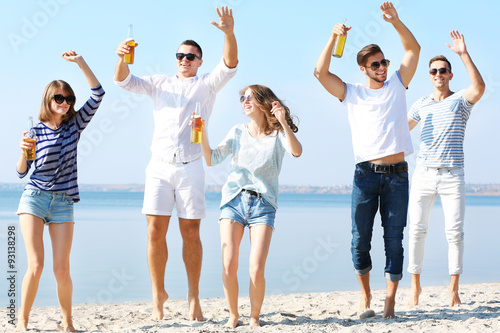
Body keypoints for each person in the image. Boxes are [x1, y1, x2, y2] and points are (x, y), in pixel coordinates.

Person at [113, 6, 238, 321]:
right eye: (180, 55)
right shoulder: (158, 83)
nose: (184, 60)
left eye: (191, 56)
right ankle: (158, 294)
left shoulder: (206, 85)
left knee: (191, 232)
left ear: (199, 62)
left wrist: (228, 33)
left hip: (191, 166)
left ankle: (193, 295)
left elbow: (231, 63)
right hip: (158, 166)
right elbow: (123, 81)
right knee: (155, 231)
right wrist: (121, 57)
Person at [314, 2, 420, 318]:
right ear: (363, 68)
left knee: (394, 239)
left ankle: (389, 301)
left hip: (398, 175)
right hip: (365, 175)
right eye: (375, 65)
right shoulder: (352, 92)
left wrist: (395, 22)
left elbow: (413, 48)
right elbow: (320, 72)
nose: (382, 68)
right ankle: (365, 295)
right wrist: (334, 38)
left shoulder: (399, 84)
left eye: (383, 62)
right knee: (360, 240)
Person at [15, 50, 104, 332]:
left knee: (62, 269)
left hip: (64, 202)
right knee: (36, 265)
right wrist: (22, 152)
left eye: (68, 99)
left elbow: (99, 93)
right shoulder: (34, 132)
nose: (65, 103)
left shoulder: (74, 126)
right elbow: (21, 172)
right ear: (49, 100)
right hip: (34, 199)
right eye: (59, 98)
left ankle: (67, 323)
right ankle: (22, 321)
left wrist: (80, 63)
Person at [199, 85, 302, 328]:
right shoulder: (237, 132)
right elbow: (212, 159)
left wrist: (283, 122)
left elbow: (297, 152)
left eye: (250, 98)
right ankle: (233, 315)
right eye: (242, 97)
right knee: (229, 262)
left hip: (264, 204)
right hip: (234, 201)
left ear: (263, 102)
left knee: (256, 268)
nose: (244, 101)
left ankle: (254, 317)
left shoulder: (277, 135)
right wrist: (202, 132)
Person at [407, 30, 485, 307]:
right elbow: (400, 131)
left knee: (454, 232)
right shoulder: (421, 104)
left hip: (453, 175)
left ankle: (453, 289)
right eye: (433, 71)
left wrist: (463, 54)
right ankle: (415, 287)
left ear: (450, 75)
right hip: (423, 175)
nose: (438, 74)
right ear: (429, 75)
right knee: (416, 230)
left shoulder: (461, 100)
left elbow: (480, 88)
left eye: (443, 70)